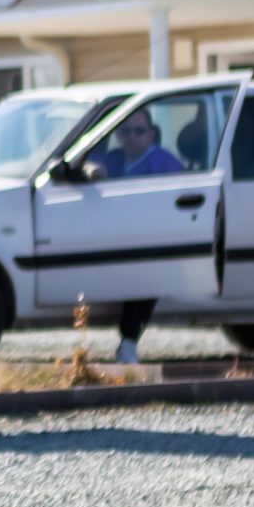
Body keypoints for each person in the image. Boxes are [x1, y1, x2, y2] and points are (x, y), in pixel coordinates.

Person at [83, 108, 184, 363]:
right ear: (117, 135)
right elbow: (86, 164)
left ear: (151, 134)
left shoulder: (163, 162)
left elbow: (184, 194)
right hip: (113, 240)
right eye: (125, 131)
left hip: (153, 242)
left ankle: (128, 342)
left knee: (146, 276)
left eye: (139, 131)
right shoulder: (114, 160)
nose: (132, 137)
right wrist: (92, 169)